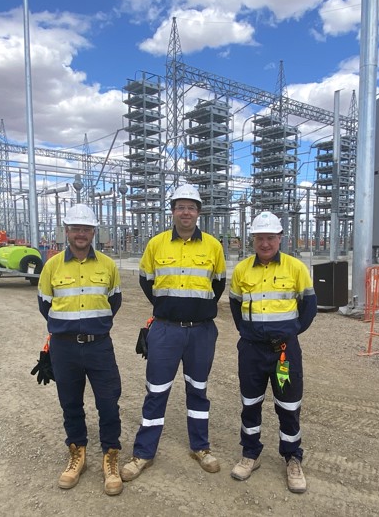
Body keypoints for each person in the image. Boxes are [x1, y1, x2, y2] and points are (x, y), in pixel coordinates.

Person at [121, 184, 227, 481]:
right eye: (180, 207)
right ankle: (144, 452)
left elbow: (218, 284)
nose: (186, 212)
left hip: (201, 332)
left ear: (198, 212)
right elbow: (146, 280)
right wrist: (167, 307)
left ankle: (200, 447)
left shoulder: (213, 246)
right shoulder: (156, 245)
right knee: (156, 391)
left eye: (191, 207)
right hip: (165, 330)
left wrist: (195, 309)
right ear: (172, 211)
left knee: (198, 390)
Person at [37, 203, 124, 496]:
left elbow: (114, 301)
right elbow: (45, 305)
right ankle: (77, 454)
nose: (81, 234)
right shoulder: (52, 266)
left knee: (108, 402)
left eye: (86, 229)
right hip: (64, 348)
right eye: (76, 228)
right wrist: (67, 327)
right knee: (70, 403)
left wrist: (93, 325)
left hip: (99, 346)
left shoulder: (108, 265)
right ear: (66, 231)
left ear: (93, 232)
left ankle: (110, 455)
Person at [228, 211, 317, 493]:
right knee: (250, 403)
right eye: (259, 238)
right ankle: (250, 453)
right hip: (252, 351)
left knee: (288, 405)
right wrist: (249, 332)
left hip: (283, 353)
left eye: (270, 237)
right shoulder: (242, 270)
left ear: (280, 238)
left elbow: (309, 306)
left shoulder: (296, 268)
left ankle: (292, 457)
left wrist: (291, 332)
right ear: (252, 240)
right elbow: (235, 305)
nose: (265, 243)